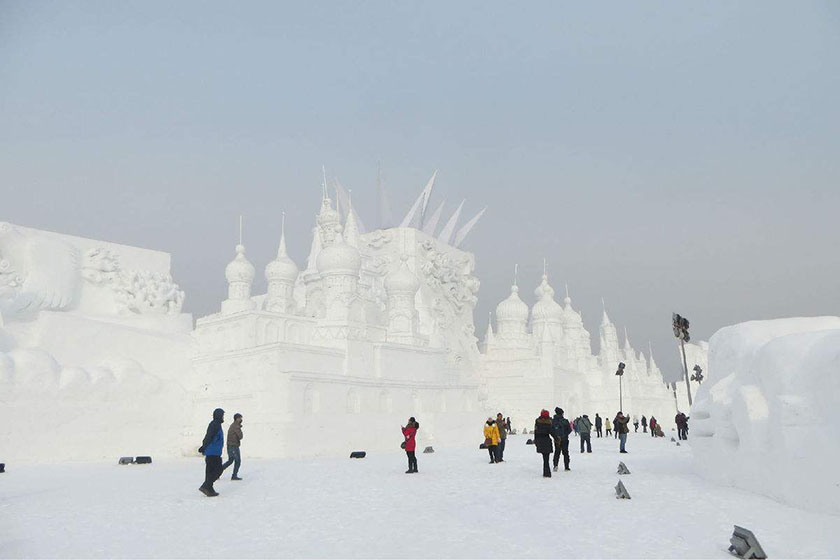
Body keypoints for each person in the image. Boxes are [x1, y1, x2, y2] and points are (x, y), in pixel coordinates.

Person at [198, 408, 225, 497]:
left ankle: (209, 489)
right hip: (213, 452)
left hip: (213, 451)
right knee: (218, 470)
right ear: (219, 415)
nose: (223, 416)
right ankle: (206, 486)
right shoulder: (215, 424)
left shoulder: (216, 424)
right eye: (222, 415)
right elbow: (209, 436)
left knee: (210, 471)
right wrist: (204, 446)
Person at [221, 413, 244, 480]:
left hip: (231, 445)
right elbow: (240, 436)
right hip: (233, 446)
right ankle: (234, 475)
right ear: (237, 419)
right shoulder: (236, 426)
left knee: (230, 460)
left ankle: (217, 473)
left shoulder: (234, 425)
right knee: (237, 461)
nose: (241, 419)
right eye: (240, 418)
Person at [534, 409, 554, 477]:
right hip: (547, 440)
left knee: (544, 457)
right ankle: (547, 472)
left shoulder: (538, 422)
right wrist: (557, 438)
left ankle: (546, 472)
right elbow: (552, 432)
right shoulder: (549, 422)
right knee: (546, 458)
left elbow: (535, 432)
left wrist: (536, 440)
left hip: (540, 440)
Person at [551, 407, 571, 472]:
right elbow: (569, 430)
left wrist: (555, 436)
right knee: (565, 453)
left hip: (557, 439)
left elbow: (551, 430)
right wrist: (565, 435)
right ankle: (567, 466)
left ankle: (555, 465)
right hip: (565, 439)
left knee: (557, 452)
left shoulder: (553, 421)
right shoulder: (565, 421)